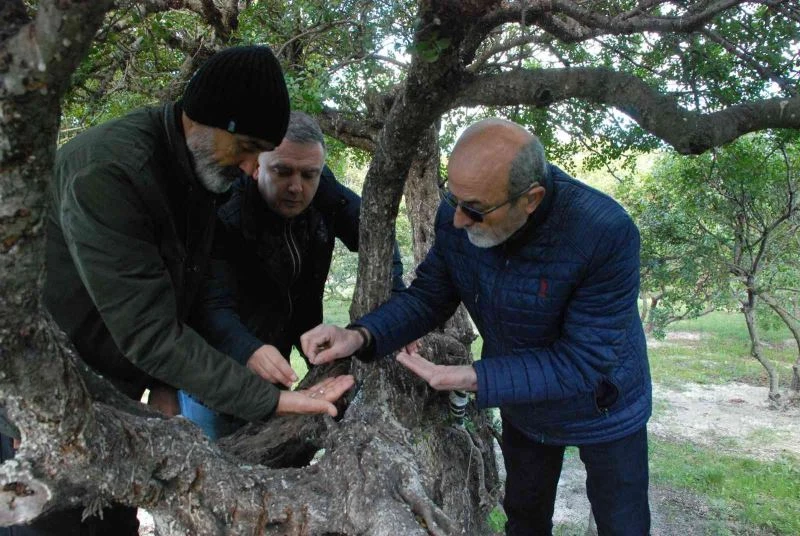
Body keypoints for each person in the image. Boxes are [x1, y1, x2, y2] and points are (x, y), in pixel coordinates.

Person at [8, 46, 353, 535]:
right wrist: (272, 401)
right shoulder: (110, 173)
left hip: (110, 396)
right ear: (206, 121)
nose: (255, 168)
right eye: (250, 147)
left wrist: (163, 389)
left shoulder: (201, 172)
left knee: (111, 521)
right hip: (37, 396)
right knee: (49, 523)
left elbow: (181, 293)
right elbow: (150, 331)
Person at [301, 118, 652, 535]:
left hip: (605, 404)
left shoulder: (603, 232)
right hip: (525, 403)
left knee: (623, 522)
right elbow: (430, 295)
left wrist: (473, 377)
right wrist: (360, 335)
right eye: (453, 198)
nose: (459, 220)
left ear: (531, 199)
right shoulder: (460, 211)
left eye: (475, 210)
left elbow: (583, 361)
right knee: (524, 517)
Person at [179, 111, 405, 439]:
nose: (296, 187)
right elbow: (210, 305)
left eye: (309, 174)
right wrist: (248, 349)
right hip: (214, 379)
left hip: (283, 356)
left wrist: (396, 298)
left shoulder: (323, 191)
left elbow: (376, 233)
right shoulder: (224, 209)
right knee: (217, 460)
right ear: (255, 166)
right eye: (282, 171)